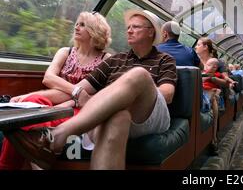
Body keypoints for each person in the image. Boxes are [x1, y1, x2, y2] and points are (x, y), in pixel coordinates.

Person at [5, 9, 177, 170]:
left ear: (151, 32)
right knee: (118, 117)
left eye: (136, 27)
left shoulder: (164, 60)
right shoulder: (115, 60)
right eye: (128, 27)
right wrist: (30, 96)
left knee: (139, 75)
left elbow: (167, 94)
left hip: (149, 113)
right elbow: (78, 90)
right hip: (114, 113)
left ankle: (60, 134)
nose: (130, 31)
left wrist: (130, 92)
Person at [0, 11, 112, 170]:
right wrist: (77, 92)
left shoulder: (106, 59)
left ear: (95, 31)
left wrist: (70, 101)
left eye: (82, 24)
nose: (76, 27)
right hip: (55, 100)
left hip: (83, 107)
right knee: (25, 107)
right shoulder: (65, 52)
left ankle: (26, 162)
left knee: (28, 123)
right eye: (76, 23)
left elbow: (97, 93)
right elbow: (48, 78)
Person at [195, 37, 230, 153]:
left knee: (213, 96)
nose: (195, 47)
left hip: (214, 91)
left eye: (198, 44)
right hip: (198, 90)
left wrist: (212, 78)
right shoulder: (195, 60)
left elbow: (226, 83)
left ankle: (214, 138)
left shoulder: (219, 63)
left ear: (205, 47)